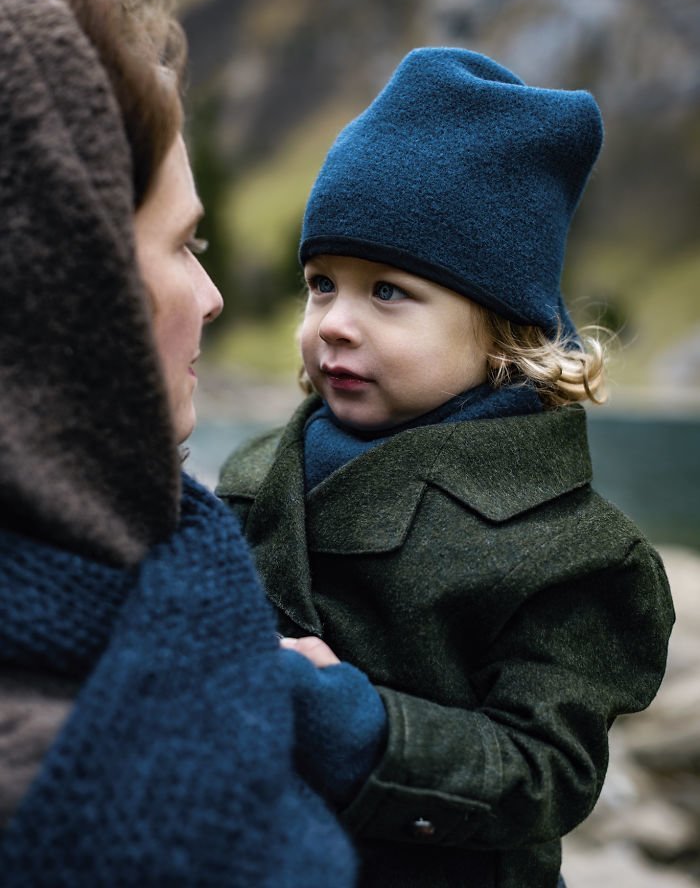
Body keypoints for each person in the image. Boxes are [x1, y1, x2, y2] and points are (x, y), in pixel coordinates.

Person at [217, 48, 675, 888]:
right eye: (322, 284)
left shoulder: (572, 552)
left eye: (388, 291)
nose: (335, 324)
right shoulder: (251, 479)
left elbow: (546, 772)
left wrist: (359, 727)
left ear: (501, 331)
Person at [0, 0, 357, 885]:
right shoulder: (129, 808)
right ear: (71, 287)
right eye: (182, 246)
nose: (213, 299)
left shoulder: (139, 615)